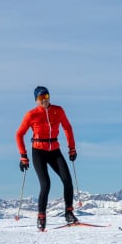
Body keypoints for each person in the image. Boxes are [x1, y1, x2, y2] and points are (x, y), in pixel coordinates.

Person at [16, 86, 77, 231]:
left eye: (47, 96)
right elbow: (19, 134)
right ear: (36, 100)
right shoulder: (31, 115)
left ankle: (69, 213)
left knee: (67, 180)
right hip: (39, 151)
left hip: (54, 150)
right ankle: (41, 217)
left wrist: (72, 148)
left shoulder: (58, 110)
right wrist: (23, 156)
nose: (45, 100)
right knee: (46, 184)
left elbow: (67, 128)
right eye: (41, 98)